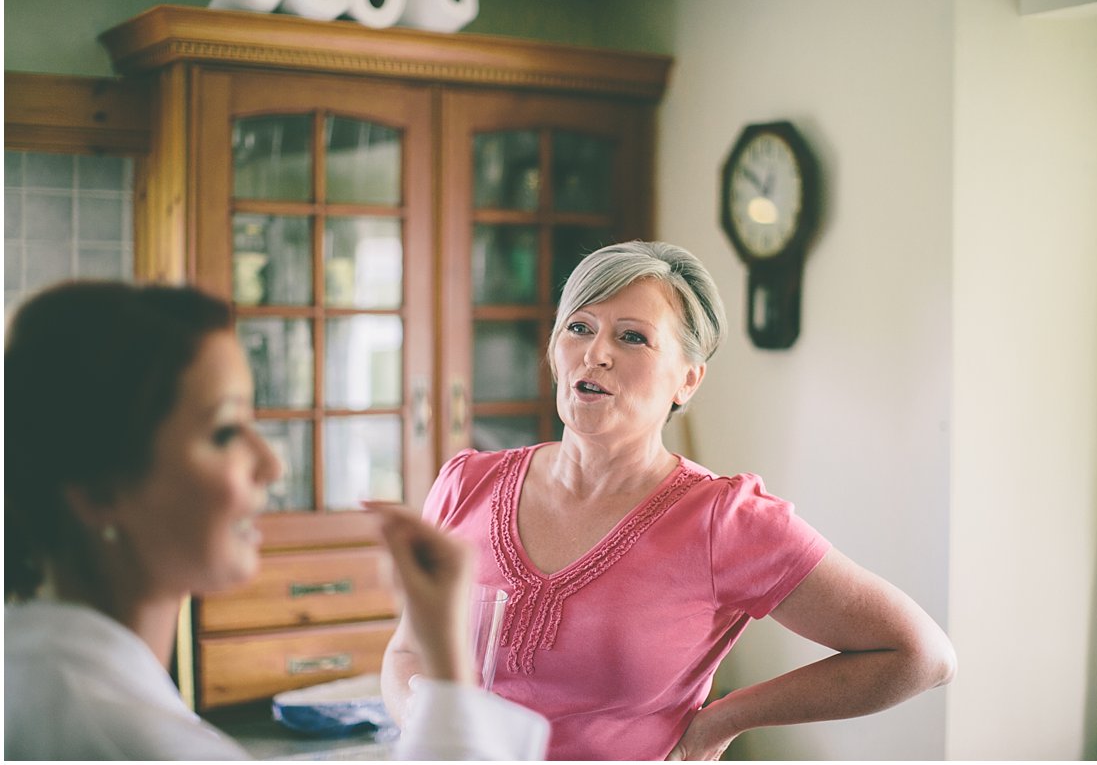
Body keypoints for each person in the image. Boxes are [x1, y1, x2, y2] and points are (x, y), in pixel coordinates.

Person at [382, 241, 958, 760]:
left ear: (688, 380)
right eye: (579, 327)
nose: (596, 353)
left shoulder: (723, 520)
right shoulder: (465, 485)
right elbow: (407, 651)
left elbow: (919, 655)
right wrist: (424, 721)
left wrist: (723, 719)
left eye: (632, 337)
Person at [4, 280, 549, 761]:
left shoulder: (35, 672)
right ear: (100, 489)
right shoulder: (130, 742)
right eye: (224, 432)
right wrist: (448, 663)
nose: (271, 464)